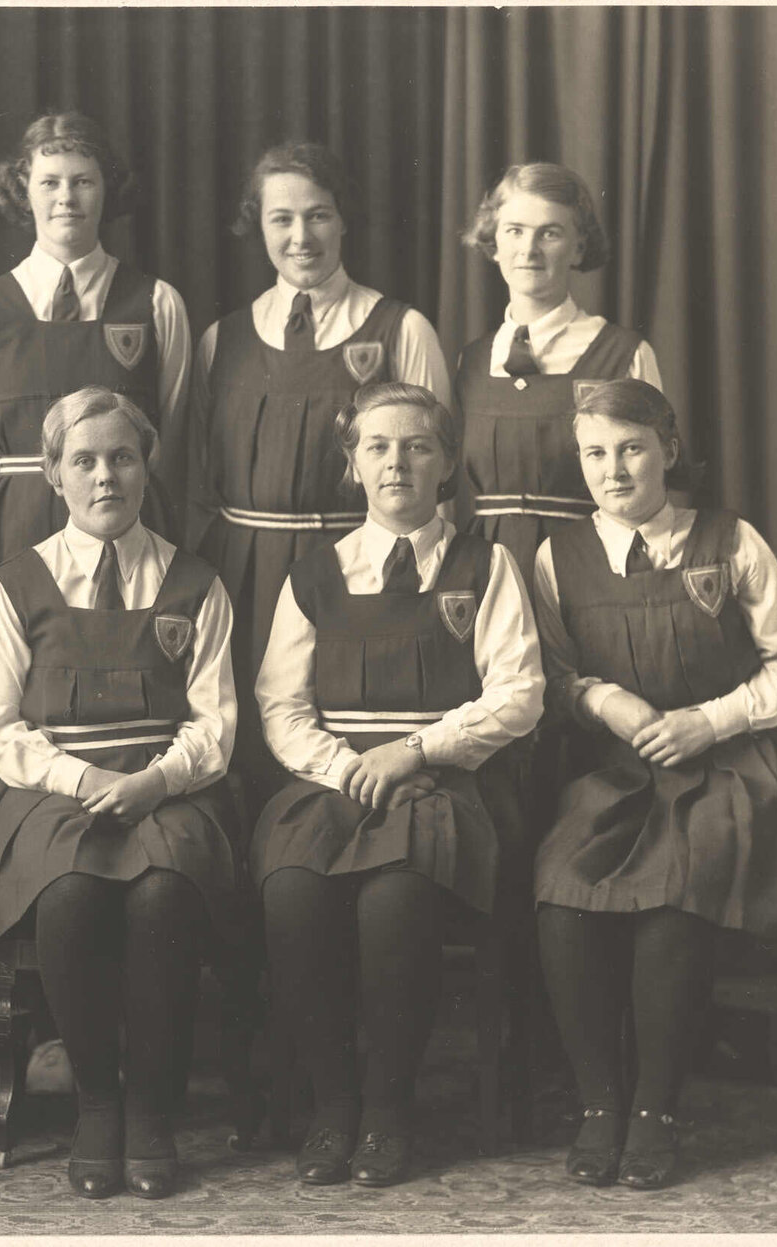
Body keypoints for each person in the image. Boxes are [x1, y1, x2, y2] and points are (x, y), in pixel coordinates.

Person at [0, 386, 238, 1201]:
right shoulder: (14, 584)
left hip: (166, 788)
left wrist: (154, 780)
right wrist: (81, 778)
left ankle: (150, 1105)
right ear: (54, 476)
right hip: (46, 789)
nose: (105, 476)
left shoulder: (195, 582)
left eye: (122, 457)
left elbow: (215, 722)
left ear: (146, 467)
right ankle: (96, 1099)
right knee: (68, 895)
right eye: (85, 461)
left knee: (164, 895)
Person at [531, 378, 777, 1190]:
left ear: (666, 449)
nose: (614, 470)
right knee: (559, 892)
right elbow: (547, 675)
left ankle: (656, 1107)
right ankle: (598, 1102)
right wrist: (598, 696)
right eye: (594, 453)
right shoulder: (559, 557)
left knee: (672, 891)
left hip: (727, 766)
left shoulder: (728, 539)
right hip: (618, 771)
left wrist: (711, 721)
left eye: (630, 448)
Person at [252, 382, 542, 1187]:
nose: (396, 462)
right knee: (291, 891)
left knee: (396, 898)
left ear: (446, 462)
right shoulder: (316, 574)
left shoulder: (486, 565)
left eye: (416, 445)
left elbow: (517, 695)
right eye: (376, 446)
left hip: (443, 788)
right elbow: (281, 704)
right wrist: (344, 766)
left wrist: (411, 752)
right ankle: (332, 1105)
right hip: (332, 785)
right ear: (351, 465)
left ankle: (385, 1110)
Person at [190, 142, 452, 794]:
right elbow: (197, 473)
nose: (300, 236)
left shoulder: (400, 329)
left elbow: (437, 480)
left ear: (343, 221)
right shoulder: (221, 338)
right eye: (281, 219)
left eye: (318, 216)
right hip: (243, 570)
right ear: (259, 224)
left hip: (354, 569)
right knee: (243, 743)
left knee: (342, 750)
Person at [0, 111, 192, 630]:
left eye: (83, 181)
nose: (66, 198)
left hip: (128, 530)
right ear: (22, 190)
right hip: (18, 531)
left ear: (106, 190)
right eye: (49, 182)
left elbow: (170, 432)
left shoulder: (156, 303)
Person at [454, 161, 663, 584]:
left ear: (579, 248)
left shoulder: (624, 354)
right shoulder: (472, 361)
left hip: (591, 571)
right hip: (488, 575)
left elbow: (654, 490)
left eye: (549, 233)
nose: (528, 250)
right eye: (514, 230)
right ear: (493, 241)